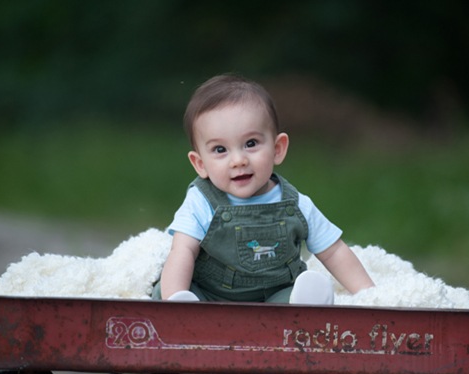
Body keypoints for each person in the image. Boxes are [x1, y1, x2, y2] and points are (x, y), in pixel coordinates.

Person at [158, 74, 375, 304]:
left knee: (295, 297)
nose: (238, 160)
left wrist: (370, 294)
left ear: (278, 148)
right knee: (162, 290)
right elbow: (183, 252)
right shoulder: (201, 201)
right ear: (200, 164)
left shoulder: (295, 204)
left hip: (275, 295)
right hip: (211, 296)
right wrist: (174, 299)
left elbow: (334, 251)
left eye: (251, 144)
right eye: (220, 149)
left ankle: (306, 306)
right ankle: (184, 308)